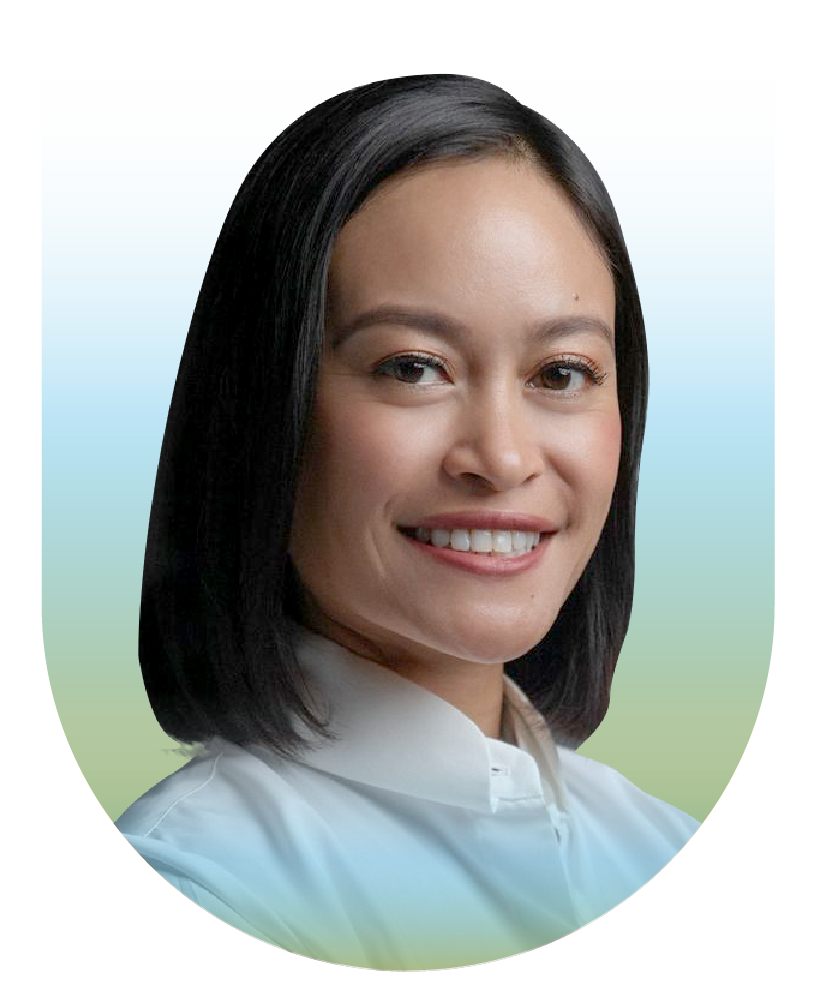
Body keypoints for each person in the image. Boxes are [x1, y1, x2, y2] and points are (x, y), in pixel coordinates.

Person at [116, 74, 699, 970]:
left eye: (560, 374)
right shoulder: (199, 893)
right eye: (412, 367)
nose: (501, 458)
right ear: (264, 407)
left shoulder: (671, 854)